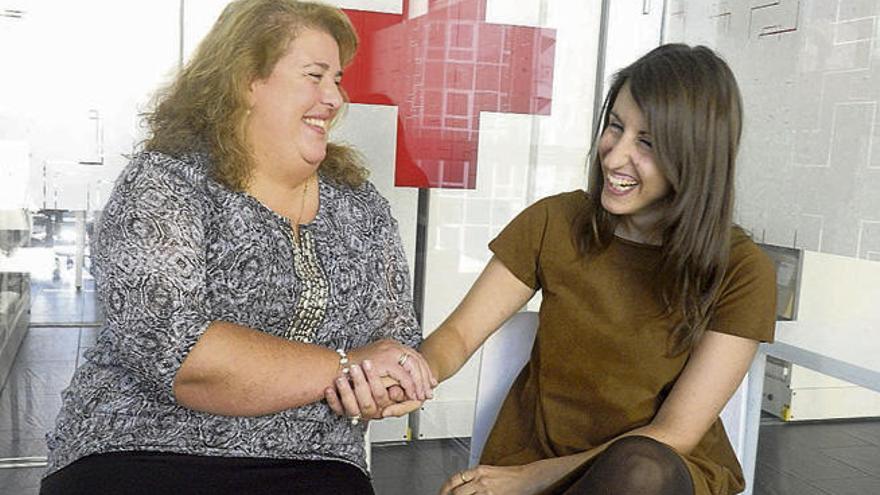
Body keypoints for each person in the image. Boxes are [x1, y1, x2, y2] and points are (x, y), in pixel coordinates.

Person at [327, 44, 777, 495]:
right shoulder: (555, 222)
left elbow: (674, 432)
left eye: (647, 143)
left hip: (650, 473)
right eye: (615, 127)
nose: (615, 156)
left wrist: (532, 479)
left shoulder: (742, 270)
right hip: (534, 453)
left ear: (697, 157)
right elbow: (460, 336)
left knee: (638, 470)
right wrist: (410, 376)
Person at [40, 1, 435, 494]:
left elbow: (394, 342)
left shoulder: (360, 206)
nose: (333, 98)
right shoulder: (167, 181)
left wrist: (385, 387)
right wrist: (348, 364)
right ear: (248, 78)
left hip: (314, 459)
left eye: (337, 79)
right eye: (315, 75)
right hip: (142, 444)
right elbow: (182, 357)